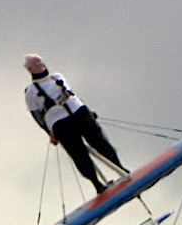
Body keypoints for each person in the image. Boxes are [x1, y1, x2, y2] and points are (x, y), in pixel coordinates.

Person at [23, 54, 126, 194]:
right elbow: (37, 115)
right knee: (78, 153)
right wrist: (49, 133)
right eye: (35, 63)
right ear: (29, 69)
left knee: (99, 140)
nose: (40, 64)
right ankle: (97, 184)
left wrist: (89, 112)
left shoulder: (57, 77)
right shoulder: (31, 92)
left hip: (79, 112)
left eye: (40, 61)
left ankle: (120, 168)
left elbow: (72, 94)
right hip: (60, 122)